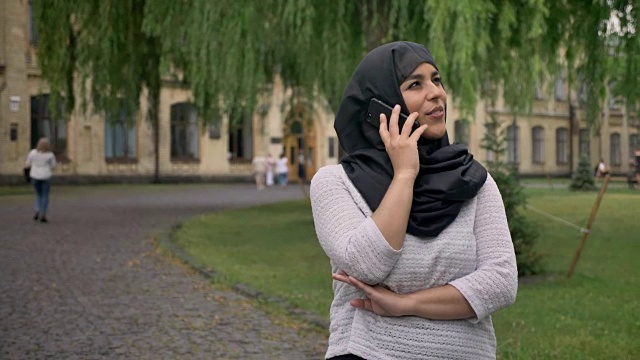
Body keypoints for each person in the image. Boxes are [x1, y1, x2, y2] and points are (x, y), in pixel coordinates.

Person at [310, 41, 517, 360]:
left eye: (436, 79)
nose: (437, 93)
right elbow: (368, 264)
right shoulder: (335, 183)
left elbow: (501, 282)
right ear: (379, 105)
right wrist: (405, 174)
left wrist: (404, 304)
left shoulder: (472, 180)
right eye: (415, 84)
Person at [26, 137, 57, 223]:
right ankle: (43, 214)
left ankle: (37, 210)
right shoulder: (50, 155)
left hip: (35, 176)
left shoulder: (32, 153)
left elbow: (28, 163)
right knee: (45, 195)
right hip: (46, 176)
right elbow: (53, 166)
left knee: (38, 194)